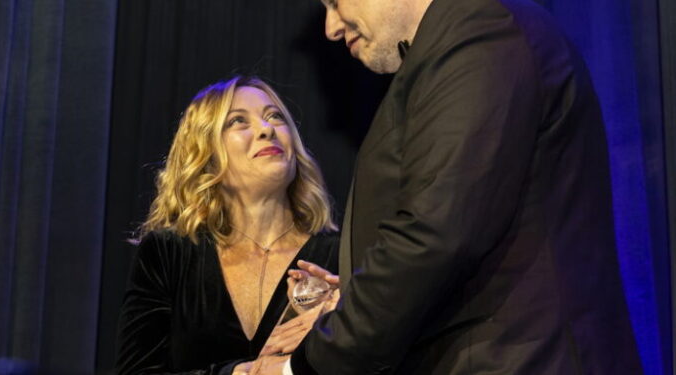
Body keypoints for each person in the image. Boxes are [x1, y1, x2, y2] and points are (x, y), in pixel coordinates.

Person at [260, 0, 644, 373]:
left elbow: (436, 233)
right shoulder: (450, 45)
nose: (332, 28)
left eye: (335, 2)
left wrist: (309, 362)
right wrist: (358, 298)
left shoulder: (479, 30)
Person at [114, 76, 339, 375]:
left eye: (275, 116)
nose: (266, 129)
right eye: (238, 122)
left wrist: (351, 318)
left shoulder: (342, 255)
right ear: (204, 154)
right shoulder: (168, 254)